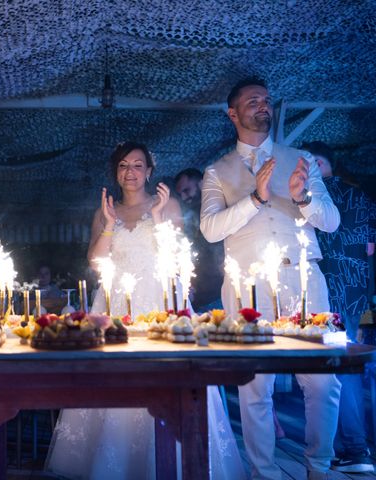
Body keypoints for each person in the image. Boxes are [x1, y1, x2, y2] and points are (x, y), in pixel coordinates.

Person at [46, 141, 245, 479]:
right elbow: (95, 262)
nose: (131, 172)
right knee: (115, 380)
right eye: (123, 166)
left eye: (138, 165)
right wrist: (109, 223)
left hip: (161, 299)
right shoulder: (104, 210)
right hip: (115, 302)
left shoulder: (167, 206)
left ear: (150, 171)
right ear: (116, 172)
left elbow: (177, 257)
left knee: (170, 376)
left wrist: (157, 217)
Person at [200, 78, 341, 480]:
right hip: (247, 288)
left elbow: (331, 222)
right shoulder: (217, 171)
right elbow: (210, 228)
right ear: (233, 114)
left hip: (304, 281)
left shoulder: (302, 159)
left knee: (322, 383)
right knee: (255, 386)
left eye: (266, 100)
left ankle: (319, 468)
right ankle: (265, 474)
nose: (263, 106)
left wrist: (303, 198)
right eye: (252, 101)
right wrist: (255, 198)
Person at [302, 141, 375, 473]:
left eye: (311, 164)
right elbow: (371, 248)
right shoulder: (360, 195)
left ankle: (356, 449)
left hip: (326, 295)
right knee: (352, 367)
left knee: (336, 369)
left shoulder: (317, 198)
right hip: (356, 293)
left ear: (322, 164)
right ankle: (359, 448)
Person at [174, 168, 225, 311]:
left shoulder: (222, 205)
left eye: (186, 190)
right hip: (199, 295)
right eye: (180, 194)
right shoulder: (188, 217)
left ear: (202, 183)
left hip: (221, 291)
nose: (184, 198)